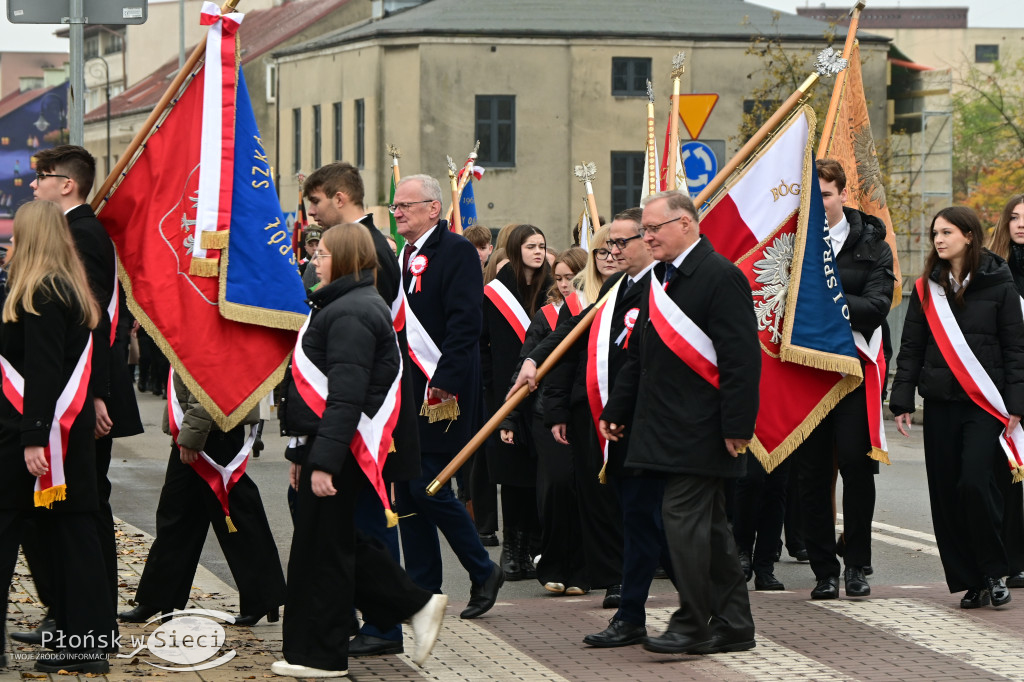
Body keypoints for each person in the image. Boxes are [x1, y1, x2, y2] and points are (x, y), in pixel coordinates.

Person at [272, 224, 446, 678]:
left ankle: (321, 656)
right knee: (334, 541)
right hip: (330, 443)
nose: (314, 259)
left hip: (344, 446)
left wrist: (323, 461)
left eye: (323, 253)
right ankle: (415, 603)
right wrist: (300, 454)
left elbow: (346, 396)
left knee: (324, 550)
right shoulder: (343, 303)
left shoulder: (351, 311)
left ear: (346, 259)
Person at [600, 190, 759, 655]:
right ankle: (733, 624)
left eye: (653, 229)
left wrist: (737, 425)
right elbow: (639, 356)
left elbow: (740, 359)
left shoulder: (720, 276)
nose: (646, 237)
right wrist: (617, 409)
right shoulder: (661, 279)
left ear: (686, 224)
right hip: (662, 425)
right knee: (709, 530)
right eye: (644, 230)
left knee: (681, 523)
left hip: (702, 428)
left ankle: (693, 621)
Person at [15, 145, 142, 647]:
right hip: (77, 395)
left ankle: (84, 618)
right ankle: (73, 612)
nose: (34, 184)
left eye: (42, 176)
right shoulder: (80, 230)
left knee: (78, 512)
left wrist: (95, 396)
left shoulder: (81, 234)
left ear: (66, 184)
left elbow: (93, 327)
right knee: (68, 512)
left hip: (80, 398)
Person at [296, 161, 420, 656]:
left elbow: (361, 355)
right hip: (342, 418)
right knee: (338, 525)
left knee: (365, 521)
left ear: (341, 198)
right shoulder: (347, 259)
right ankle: (354, 611)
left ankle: (389, 621)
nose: (313, 219)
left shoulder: (369, 255)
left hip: (365, 421)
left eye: (317, 205)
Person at [0, 200, 115, 673]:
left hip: (40, 438)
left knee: (55, 536)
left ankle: (84, 647)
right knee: (71, 538)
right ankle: (83, 642)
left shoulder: (43, 292)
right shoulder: (68, 287)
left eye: (13, 235)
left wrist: (32, 437)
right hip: (63, 434)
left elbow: (44, 372)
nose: (8, 243)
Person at [892, 206, 1024, 609]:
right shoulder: (925, 288)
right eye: (935, 233)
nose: (939, 239)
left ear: (969, 235)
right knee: (948, 493)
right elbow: (912, 347)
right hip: (940, 404)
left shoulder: (999, 285)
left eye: (947, 232)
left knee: (974, 483)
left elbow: (1016, 350)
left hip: (985, 404)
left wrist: (1017, 404)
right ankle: (971, 580)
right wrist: (901, 398)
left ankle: (993, 571)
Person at [389, 174, 503, 619]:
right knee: (406, 486)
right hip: (406, 385)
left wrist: (446, 383)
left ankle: (481, 568)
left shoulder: (453, 251)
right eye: (396, 206)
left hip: (442, 387)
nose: (397, 212)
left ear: (433, 208)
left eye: (405, 205)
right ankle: (423, 592)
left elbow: (464, 323)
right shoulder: (404, 254)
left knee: (428, 484)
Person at [790, 158, 894, 600]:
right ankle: (823, 571)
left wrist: (823, 302)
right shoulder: (793, 242)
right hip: (808, 373)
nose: (820, 202)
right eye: (812, 196)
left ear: (843, 195)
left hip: (854, 372)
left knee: (856, 468)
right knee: (811, 477)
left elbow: (877, 306)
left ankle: (856, 565)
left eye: (826, 194)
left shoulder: (872, 243)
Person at [117, 367, 287, 625]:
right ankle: (160, 598)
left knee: (234, 516)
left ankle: (263, 597)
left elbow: (210, 382)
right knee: (179, 518)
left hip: (213, 431)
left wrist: (192, 435)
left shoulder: (209, 327)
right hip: (203, 428)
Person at [483, 224, 552, 581]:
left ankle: (535, 548)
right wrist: (490, 388)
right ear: (515, 249)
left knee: (539, 474)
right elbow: (481, 345)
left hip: (544, 395)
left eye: (542, 246)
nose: (538, 252)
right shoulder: (494, 293)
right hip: (506, 397)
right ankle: (513, 551)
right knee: (512, 476)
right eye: (530, 246)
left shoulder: (552, 290)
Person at [985, 194, 1024, 589]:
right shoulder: (993, 269)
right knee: (1010, 475)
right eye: (1014, 217)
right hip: (1006, 384)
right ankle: (1011, 561)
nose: (1021, 225)